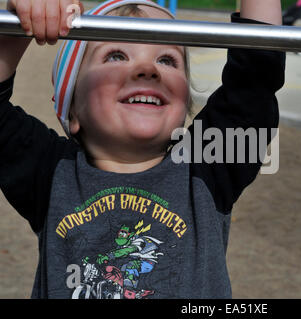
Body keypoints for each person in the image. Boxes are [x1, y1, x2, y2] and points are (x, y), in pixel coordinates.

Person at [0, 0, 285, 298]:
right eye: (117, 55)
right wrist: (23, 21)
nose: (148, 69)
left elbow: (256, 76)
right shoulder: (50, 175)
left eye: (167, 60)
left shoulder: (206, 167)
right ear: (73, 110)